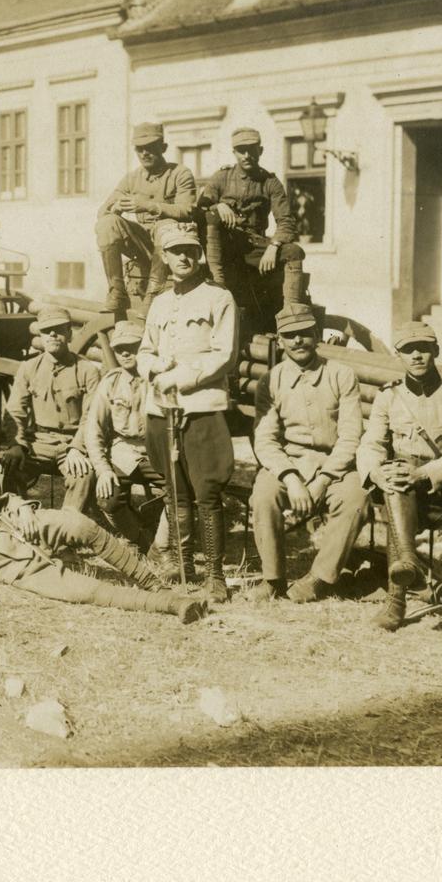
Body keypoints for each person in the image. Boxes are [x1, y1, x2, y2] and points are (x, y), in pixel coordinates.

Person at [0, 441, 205, 623]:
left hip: (16, 527)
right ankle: (172, 605)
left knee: (79, 524)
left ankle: (155, 585)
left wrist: (23, 509)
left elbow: (3, 500)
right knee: (82, 589)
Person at [138, 221, 239, 604]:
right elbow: (145, 350)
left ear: (199, 256)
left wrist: (179, 379)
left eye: (191, 251)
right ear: (164, 257)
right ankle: (183, 566)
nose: (184, 257)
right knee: (175, 489)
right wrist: (153, 368)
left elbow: (224, 355)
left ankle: (215, 575)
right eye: (176, 251)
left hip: (200, 406)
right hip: (160, 407)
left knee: (207, 492)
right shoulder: (160, 303)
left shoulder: (219, 298)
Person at [357, 320, 442, 632]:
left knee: (399, 484)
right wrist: (376, 472)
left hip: (439, 489)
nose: (417, 356)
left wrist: (421, 474)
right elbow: (371, 444)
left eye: (424, 348)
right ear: (399, 355)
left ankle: (396, 600)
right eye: (409, 350)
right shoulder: (388, 395)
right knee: (396, 481)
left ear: (436, 351)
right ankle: (407, 570)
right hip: (398, 485)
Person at [248, 304, 369, 603]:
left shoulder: (341, 375)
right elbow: (265, 440)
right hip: (289, 463)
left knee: (356, 499)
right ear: (280, 340)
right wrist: (290, 478)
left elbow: (350, 436)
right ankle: (273, 579)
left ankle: (320, 578)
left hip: (336, 465)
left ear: (316, 335)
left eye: (304, 333)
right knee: (263, 494)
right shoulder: (270, 381)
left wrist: (323, 480)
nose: (298, 340)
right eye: (290, 335)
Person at [198, 127, 307, 330]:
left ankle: (290, 319)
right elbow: (200, 206)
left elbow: (286, 221)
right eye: (241, 150)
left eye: (252, 149)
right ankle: (218, 289)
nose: (247, 155)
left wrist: (273, 246)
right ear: (234, 152)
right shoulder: (221, 177)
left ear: (260, 151)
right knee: (212, 217)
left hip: (254, 246)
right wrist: (218, 206)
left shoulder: (270, 182)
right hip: (223, 246)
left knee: (294, 252)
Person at [0, 305, 99, 513]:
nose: (52, 334)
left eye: (59, 329)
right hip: (39, 443)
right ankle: (19, 518)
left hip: (72, 442)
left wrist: (77, 448)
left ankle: (68, 525)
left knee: (83, 474)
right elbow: (15, 411)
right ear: (41, 337)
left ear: (69, 334)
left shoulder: (87, 370)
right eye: (46, 331)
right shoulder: (29, 368)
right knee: (8, 465)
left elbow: (91, 417)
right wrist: (17, 444)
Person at [95, 122, 198, 316]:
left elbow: (186, 210)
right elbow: (102, 212)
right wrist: (115, 208)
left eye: (150, 148)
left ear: (163, 148)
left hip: (173, 246)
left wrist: (147, 206)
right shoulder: (132, 178)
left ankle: (153, 293)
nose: (145, 153)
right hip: (144, 245)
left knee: (166, 224)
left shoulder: (180, 173)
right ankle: (117, 292)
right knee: (107, 223)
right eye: (139, 149)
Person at [82, 319, 166, 551]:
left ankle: (162, 545)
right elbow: (94, 429)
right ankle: (139, 539)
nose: (125, 353)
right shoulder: (111, 383)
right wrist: (103, 469)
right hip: (124, 452)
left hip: (156, 451)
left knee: (180, 493)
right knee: (108, 498)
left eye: (132, 347)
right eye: (119, 349)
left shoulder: (160, 379)